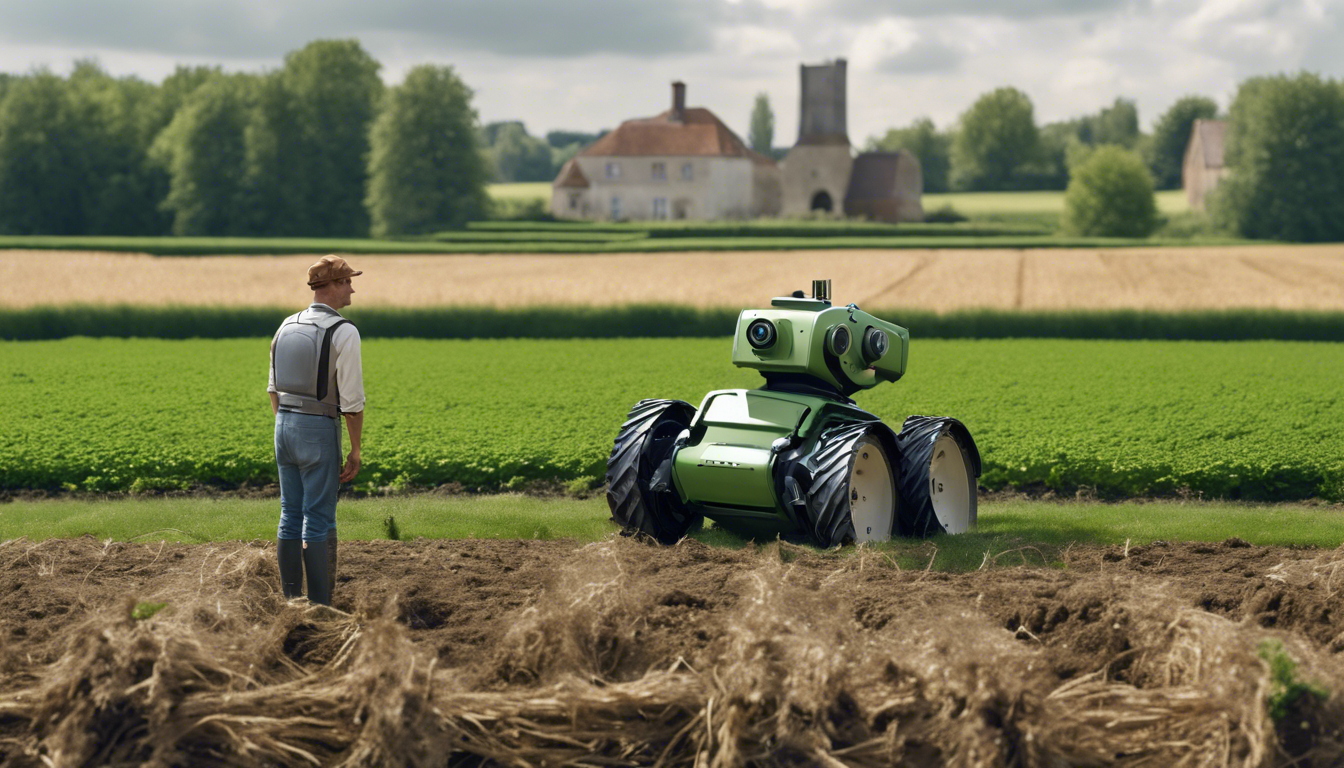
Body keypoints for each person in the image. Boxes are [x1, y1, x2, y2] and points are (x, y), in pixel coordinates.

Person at [267, 255, 365, 605]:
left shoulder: (286, 325)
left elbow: (273, 389)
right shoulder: (344, 331)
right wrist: (354, 450)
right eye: (348, 281)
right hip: (318, 428)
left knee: (289, 514)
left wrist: (286, 426)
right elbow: (352, 403)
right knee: (319, 519)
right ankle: (320, 607)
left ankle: (291, 600)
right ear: (334, 286)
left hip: (284, 426)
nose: (352, 287)